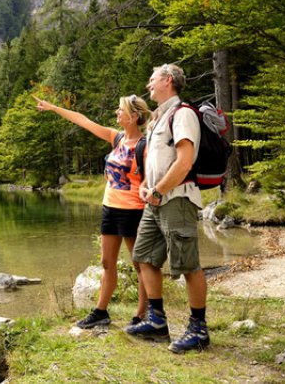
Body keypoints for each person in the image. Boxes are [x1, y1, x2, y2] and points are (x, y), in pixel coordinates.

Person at [33, 93, 152, 328]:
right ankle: (101, 312)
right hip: (110, 208)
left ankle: (142, 315)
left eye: (121, 110)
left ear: (134, 116)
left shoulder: (145, 146)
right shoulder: (115, 138)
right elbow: (83, 121)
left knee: (139, 264)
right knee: (107, 263)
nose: (117, 113)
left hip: (133, 211)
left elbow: (151, 180)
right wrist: (53, 108)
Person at [124, 63, 210, 353]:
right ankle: (157, 321)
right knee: (145, 257)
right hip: (156, 200)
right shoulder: (158, 118)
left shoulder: (183, 114)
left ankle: (198, 330)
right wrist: (146, 186)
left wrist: (159, 191)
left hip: (177, 199)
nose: (148, 85)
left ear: (168, 81)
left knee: (187, 264)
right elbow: (154, 162)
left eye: (152, 80)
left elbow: (184, 161)